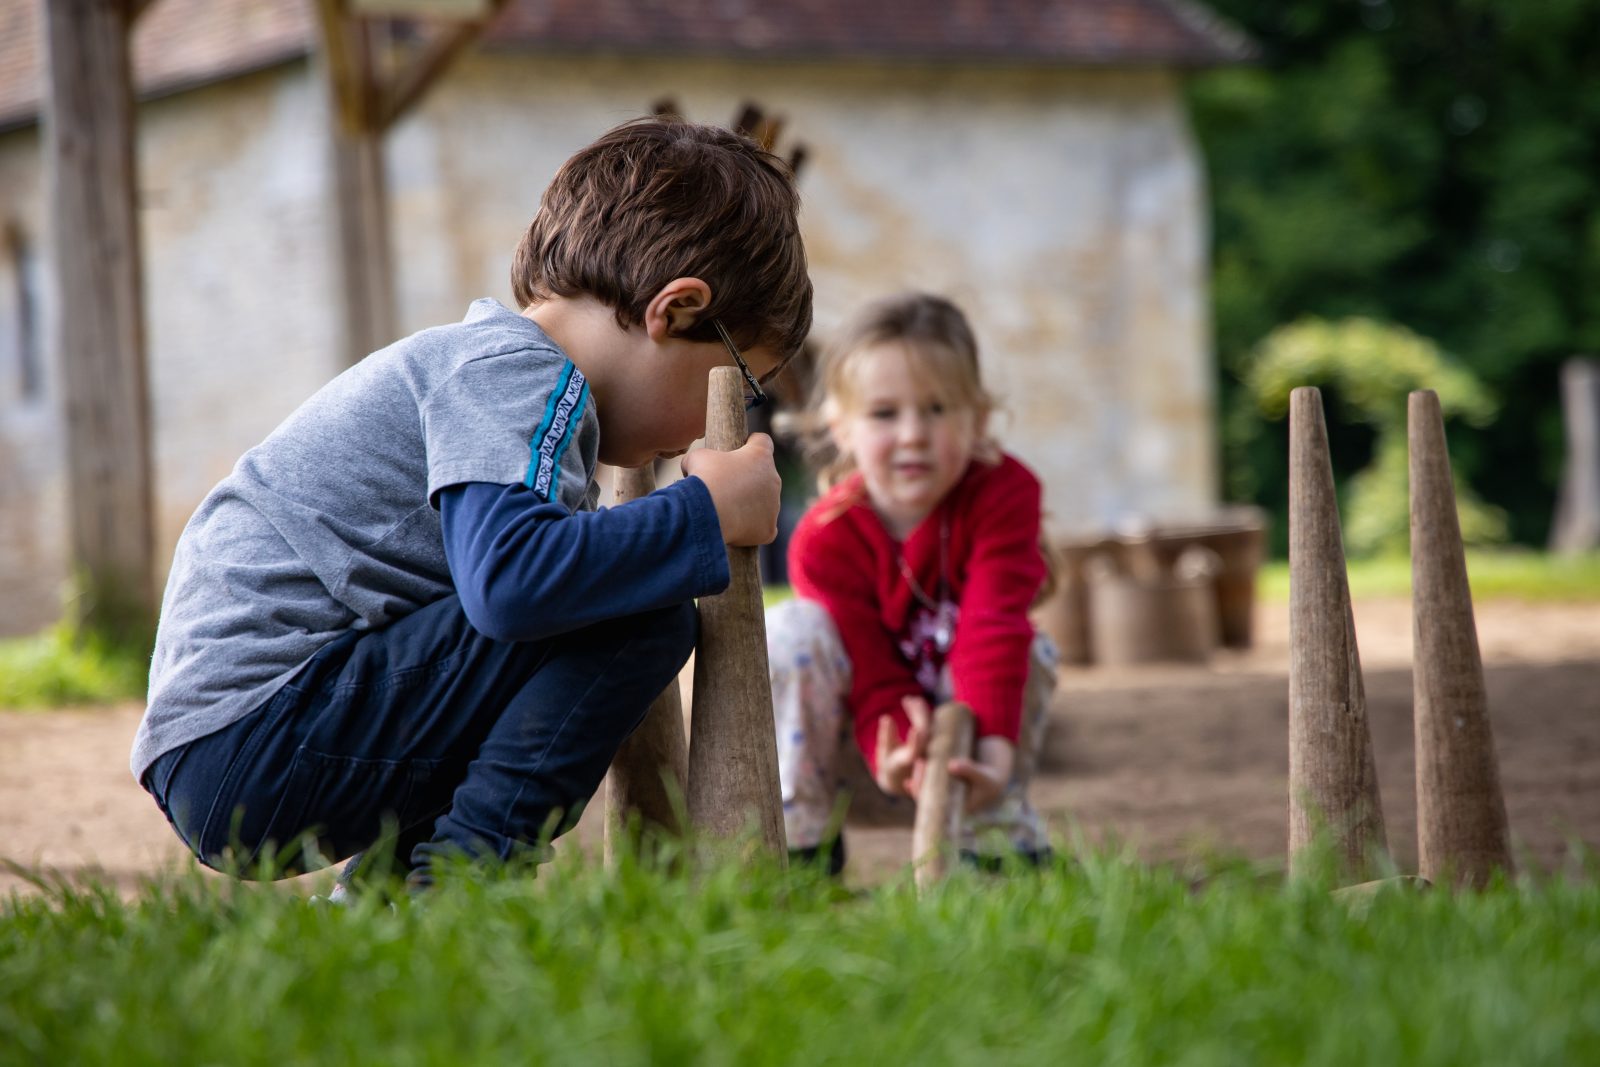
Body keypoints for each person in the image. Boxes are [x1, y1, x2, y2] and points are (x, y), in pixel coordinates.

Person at [131, 117, 812, 888]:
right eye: (736, 383)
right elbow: (513, 585)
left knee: (587, 600)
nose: (725, 417)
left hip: (236, 741)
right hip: (256, 728)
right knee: (635, 614)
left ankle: (384, 901)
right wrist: (703, 509)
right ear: (676, 310)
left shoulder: (494, 378)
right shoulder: (520, 374)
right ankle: (456, 889)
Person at [768, 293, 1057, 874]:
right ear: (840, 427)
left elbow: (991, 625)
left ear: (976, 419)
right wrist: (896, 748)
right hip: (862, 754)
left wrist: (991, 757)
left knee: (1031, 646)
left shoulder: (1003, 494)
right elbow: (871, 669)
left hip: (971, 754)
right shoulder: (827, 538)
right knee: (794, 630)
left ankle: (994, 838)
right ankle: (801, 848)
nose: (912, 434)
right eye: (883, 414)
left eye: (936, 408)